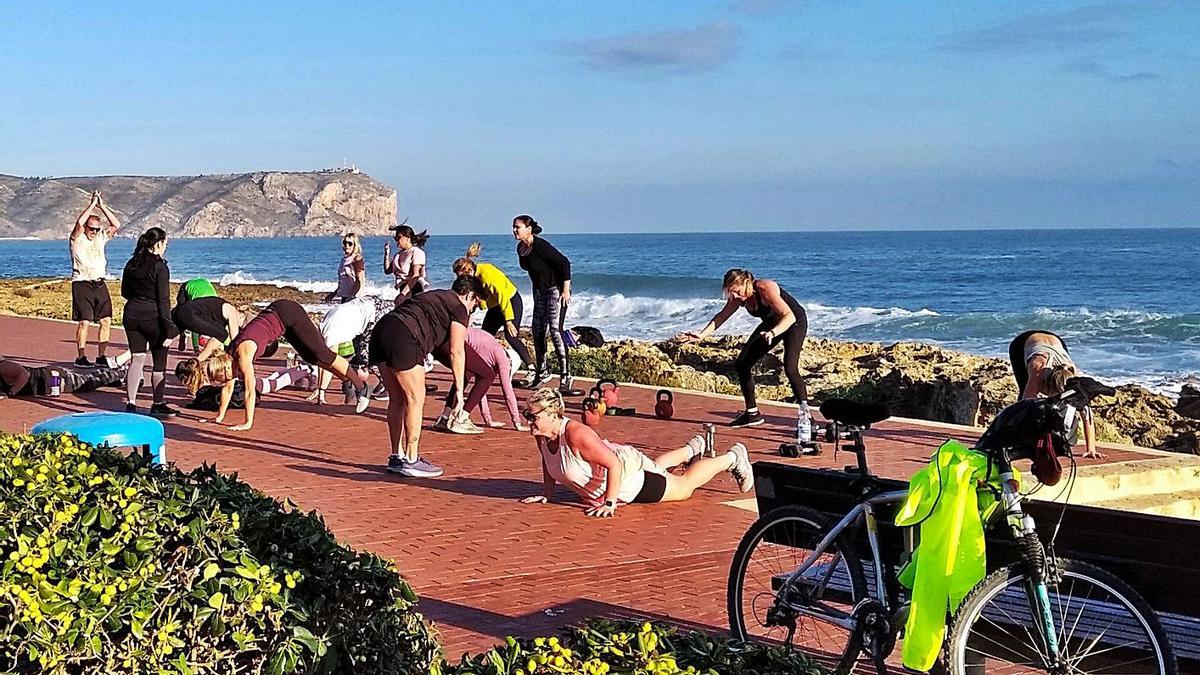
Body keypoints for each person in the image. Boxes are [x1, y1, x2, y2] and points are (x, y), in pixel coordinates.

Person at [518, 387, 755, 518]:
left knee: (684, 486)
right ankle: (692, 449)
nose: (529, 421)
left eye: (533, 417)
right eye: (527, 416)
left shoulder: (576, 435)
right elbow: (549, 463)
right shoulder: (543, 435)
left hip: (629, 479)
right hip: (627, 464)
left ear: (553, 414)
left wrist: (609, 502)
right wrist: (546, 493)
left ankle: (733, 457)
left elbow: (614, 465)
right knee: (658, 469)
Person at [185, 299, 370, 430]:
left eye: (222, 378)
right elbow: (227, 389)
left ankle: (362, 387)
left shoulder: (242, 354)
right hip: (280, 319)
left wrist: (248, 422)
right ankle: (348, 379)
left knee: (323, 353)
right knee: (312, 358)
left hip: (287, 312)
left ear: (226, 368)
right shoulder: (228, 359)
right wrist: (219, 417)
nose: (226, 381)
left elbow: (250, 391)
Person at [368, 275, 483, 478]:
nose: (473, 311)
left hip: (381, 331)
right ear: (471, 295)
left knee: (397, 398)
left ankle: (397, 456)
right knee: (415, 399)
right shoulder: (459, 308)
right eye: (476, 305)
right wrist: (459, 394)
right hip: (404, 336)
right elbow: (457, 352)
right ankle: (411, 459)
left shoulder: (435, 295)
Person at [677, 268, 809, 428]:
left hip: (794, 323)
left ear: (746, 282)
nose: (735, 296)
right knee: (742, 364)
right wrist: (702, 335)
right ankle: (752, 414)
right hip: (771, 325)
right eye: (731, 293)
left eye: (737, 291)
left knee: (790, 368)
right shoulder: (738, 298)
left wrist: (773, 333)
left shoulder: (765, 287)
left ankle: (806, 417)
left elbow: (789, 316)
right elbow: (722, 316)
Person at [1008, 330, 1100, 458]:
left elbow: (1087, 415)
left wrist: (1091, 448)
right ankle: (1020, 439)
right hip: (1024, 342)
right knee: (1026, 396)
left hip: (1056, 341)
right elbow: (1023, 406)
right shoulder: (1038, 370)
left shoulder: (1074, 379)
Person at [120, 227, 180, 416]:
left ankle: (131, 403)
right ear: (159, 243)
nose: (166, 248)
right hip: (153, 317)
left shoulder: (132, 263)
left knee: (137, 359)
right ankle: (158, 403)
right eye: (166, 244)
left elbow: (124, 292)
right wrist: (170, 328)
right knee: (159, 363)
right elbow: (164, 300)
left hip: (131, 314)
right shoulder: (160, 267)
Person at [453, 242, 534, 373]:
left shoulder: (486, 274)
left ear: (468, 271)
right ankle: (485, 366)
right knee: (485, 335)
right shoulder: (472, 279)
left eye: (461, 276)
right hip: (496, 306)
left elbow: (502, 296)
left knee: (511, 336)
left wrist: (509, 321)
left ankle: (533, 369)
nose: (461, 280)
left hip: (511, 301)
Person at [431, 326, 527, 434]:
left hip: (439, 342)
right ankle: (461, 419)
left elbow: (480, 391)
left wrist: (488, 420)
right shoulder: (504, 359)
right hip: (454, 340)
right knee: (486, 376)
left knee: (466, 376)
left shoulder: (488, 353)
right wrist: (517, 422)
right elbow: (507, 392)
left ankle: (445, 418)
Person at [512, 215, 572, 389]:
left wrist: (565, 290)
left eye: (518, 227)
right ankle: (542, 371)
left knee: (555, 330)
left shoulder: (541, 245)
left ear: (529, 229)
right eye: (514, 227)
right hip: (539, 290)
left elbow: (564, 262)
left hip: (557, 289)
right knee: (537, 329)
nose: (515, 230)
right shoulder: (520, 248)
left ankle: (565, 375)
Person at [68, 191, 122, 368]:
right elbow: (79, 223)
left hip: (99, 283)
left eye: (97, 229)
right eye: (92, 229)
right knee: (85, 321)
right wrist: (91, 205)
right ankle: (81, 356)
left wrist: (102, 206)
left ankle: (101, 355)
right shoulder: (77, 239)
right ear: (86, 228)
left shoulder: (100, 237)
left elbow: (116, 224)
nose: (94, 232)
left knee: (105, 320)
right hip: (82, 283)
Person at [310, 295, 392, 405]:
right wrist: (319, 389)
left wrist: (321, 391)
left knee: (368, 357)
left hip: (375, 312)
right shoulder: (323, 323)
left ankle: (389, 386)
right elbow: (323, 362)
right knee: (357, 360)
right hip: (368, 306)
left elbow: (330, 361)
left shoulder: (329, 333)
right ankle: (355, 386)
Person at [1, 352, 130, 398]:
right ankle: (118, 379)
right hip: (46, 383)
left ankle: (122, 371)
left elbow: (24, 374)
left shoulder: (2, 366)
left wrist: (11, 393)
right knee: (87, 380)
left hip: (50, 378)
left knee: (86, 384)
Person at [174, 278, 226, 352]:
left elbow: (222, 331)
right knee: (183, 315)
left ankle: (200, 336)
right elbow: (194, 326)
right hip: (187, 287)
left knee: (204, 323)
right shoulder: (200, 307)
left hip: (205, 285)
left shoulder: (219, 310)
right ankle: (182, 335)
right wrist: (196, 349)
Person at [384, 224, 429, 304]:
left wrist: (402, 294)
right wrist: (387, 254)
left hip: (414, 289)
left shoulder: (416, 252)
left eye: (399, 238)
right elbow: (387, 271)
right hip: (403, 289)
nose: (397, 241)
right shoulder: (398, 255)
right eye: (395, 239)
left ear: (407, 238)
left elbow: (415, 275)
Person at [328, 232, 367, 303]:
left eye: (350, 243)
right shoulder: (344, 260)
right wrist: (333, 294)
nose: (347, 245)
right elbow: (344, 282)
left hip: (355, 299)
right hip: (345, 297)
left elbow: (360, 281)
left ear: (354, 245)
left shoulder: (357, 259)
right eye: (345, 243)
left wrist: (351, 297)